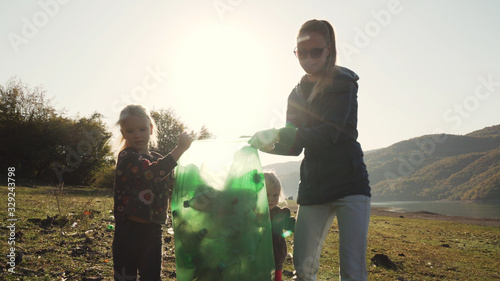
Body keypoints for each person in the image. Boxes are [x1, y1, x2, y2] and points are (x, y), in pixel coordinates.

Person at [250, 19, 371, 281]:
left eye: (315, 51)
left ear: (330, 49)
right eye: (301, 52)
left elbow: (329, 133)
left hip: (350, 184)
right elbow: (294, 147)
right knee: (304, 267)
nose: (308, 58)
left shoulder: (343, 83)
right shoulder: (296, 94)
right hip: (315, 186)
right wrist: (266, 142)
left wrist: (278, 133)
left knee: (352, 268)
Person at [112, 104, 192, 281]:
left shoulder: (157, 158)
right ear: (123, 133)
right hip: (128, 232)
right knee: (125, 276)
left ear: (151, 129)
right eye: (131, 131)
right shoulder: (127, 157)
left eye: (142, 129)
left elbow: (170, 180)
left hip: (153, 230)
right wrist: (180, 149)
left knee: (152, 276)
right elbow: (153, 173)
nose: (137, 135)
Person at [264, 171, 295, 281]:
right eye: (267, 195)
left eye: (275, 195)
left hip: (276, 255)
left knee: (276, 277)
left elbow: (290, 226)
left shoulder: (280, 214)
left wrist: (295, 225)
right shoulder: (256, 213)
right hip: (258, 255)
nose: (271, 199)